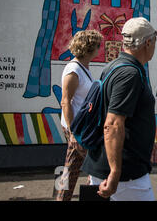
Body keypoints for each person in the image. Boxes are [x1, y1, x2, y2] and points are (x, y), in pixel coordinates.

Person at [82, 17, 157, 201]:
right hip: (126, 173)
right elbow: (112, 124)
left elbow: (127, 117)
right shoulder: (130, 74)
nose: (155, 46)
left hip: (114, 165)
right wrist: (115, 172)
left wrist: (149, 140)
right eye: (154, 41)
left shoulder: (115, 66)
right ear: (147, 42)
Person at [56, 29, 103, 201]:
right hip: (76, 129)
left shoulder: (84, 68)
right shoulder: (73, 70)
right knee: (93, 167)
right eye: (98, 46)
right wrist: (73, 132)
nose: (100, 50)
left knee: (73, 169)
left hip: (81, 128)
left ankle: (63, 197)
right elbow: (65, 102)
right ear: (89, 48)